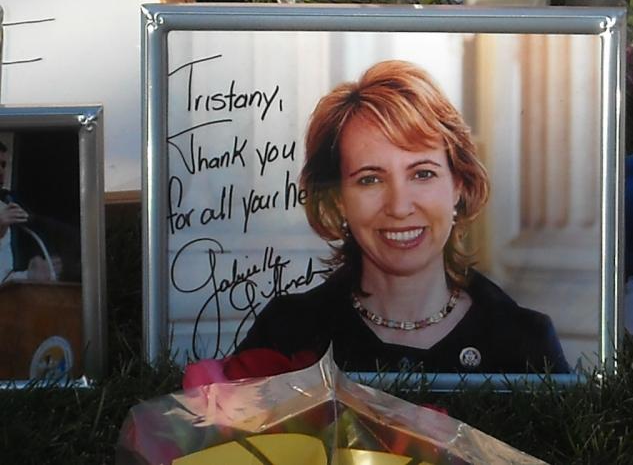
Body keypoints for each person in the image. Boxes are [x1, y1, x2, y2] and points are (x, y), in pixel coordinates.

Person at [237, 60, 569, 373]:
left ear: (458, 184)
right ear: (338, 199)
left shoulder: (526, 341)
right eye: (370, 179)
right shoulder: (286, 333)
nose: (399, 207)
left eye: (422, 174)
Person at [0, 140, 61, 283]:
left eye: (3, 165)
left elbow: (3, 277)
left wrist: (30, 275)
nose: (1, 171)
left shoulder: (5, 207)